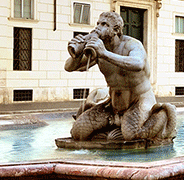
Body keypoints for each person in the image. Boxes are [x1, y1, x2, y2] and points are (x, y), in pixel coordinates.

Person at [65, 11, 171, 142]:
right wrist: (77, 55)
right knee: (78, 132)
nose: (98, 27)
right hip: (112, 106)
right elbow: (69, 67)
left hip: (139, 101)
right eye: (98, 23)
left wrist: (104, 54)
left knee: (131, 136)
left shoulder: (131, 44)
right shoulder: (99, 48)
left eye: (104, 24)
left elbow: (138, 63)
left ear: (116, 30)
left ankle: (159, 116)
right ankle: (112, 131)